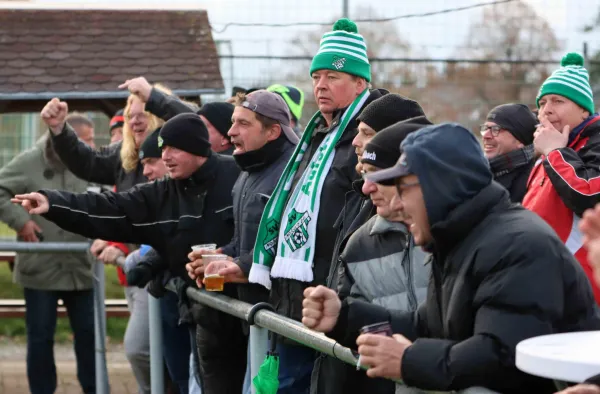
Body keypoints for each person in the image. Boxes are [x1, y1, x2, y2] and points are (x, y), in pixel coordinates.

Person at [303, 123, 600, 393]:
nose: (398, 202)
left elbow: (501, 355)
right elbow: (428, 325)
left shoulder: (516, 244)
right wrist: (344, 316)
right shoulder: (460, 239)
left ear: (438, 187)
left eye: (403, 188)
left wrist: (409, 361)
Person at [17, 103, 239, 393]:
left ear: (198, 149)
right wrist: (53, 204)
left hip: (245, 311)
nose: (165, 157)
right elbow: (111, 208)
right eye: (163, 148)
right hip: (199, 312)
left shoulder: (237, 176)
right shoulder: (162, 192)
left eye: (174, 148)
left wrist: (234, 259)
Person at [245, 18, 387, 392]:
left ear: (360, 83)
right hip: (292, 297)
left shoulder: (371, 136)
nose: (321, 85)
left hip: (332, 298)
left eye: (333, 77)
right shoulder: (315, 135)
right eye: (316, 76)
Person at [0, 113, 98, 394]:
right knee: (41, 337)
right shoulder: (29, 161)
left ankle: (95, 388)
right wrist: (21, 222)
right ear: (68, 140)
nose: (92, 147)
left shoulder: (89, 163)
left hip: (81, 267)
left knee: (89, 337)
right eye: (87, 141)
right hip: (40, 267)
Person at [522, 52, 600, 304]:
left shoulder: (571, 148)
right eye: (542, 102)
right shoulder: (552, 149)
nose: (547, 110)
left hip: (584, 292)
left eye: (557, 101)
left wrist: (556, 152)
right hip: (543, 284)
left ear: (583, 110)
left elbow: (587, 194)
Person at [481, 103, 538, 202]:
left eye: (496, 129)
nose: (486, 135)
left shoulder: (532, 181)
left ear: (520, 140)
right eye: (486, 128)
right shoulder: (480, 172)